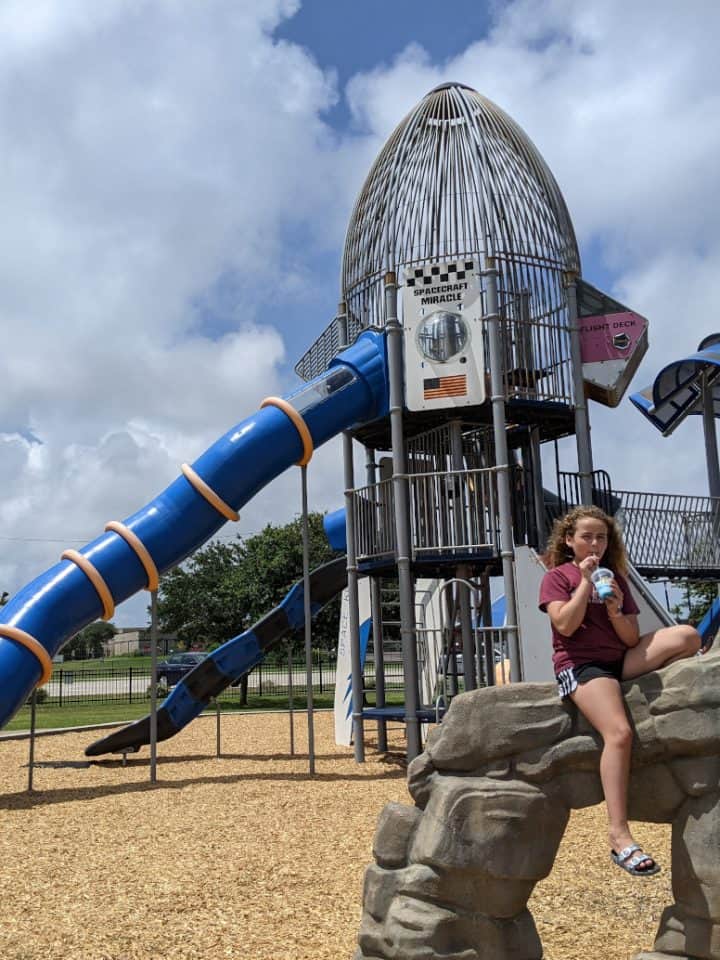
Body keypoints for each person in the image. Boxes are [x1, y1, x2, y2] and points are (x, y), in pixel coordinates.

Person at [539, 505, 701, 877]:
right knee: (620, 733)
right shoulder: (557, 577)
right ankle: (619, 835)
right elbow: (564, 626)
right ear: (569, 540)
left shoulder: (619, 580)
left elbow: (629, 636)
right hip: (581, 665)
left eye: (601, 536)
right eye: (587, 536)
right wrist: (584, 583)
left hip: (620, 660)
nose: (595, 543)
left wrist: (613, 606)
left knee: (688, 636)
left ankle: (639, 691)